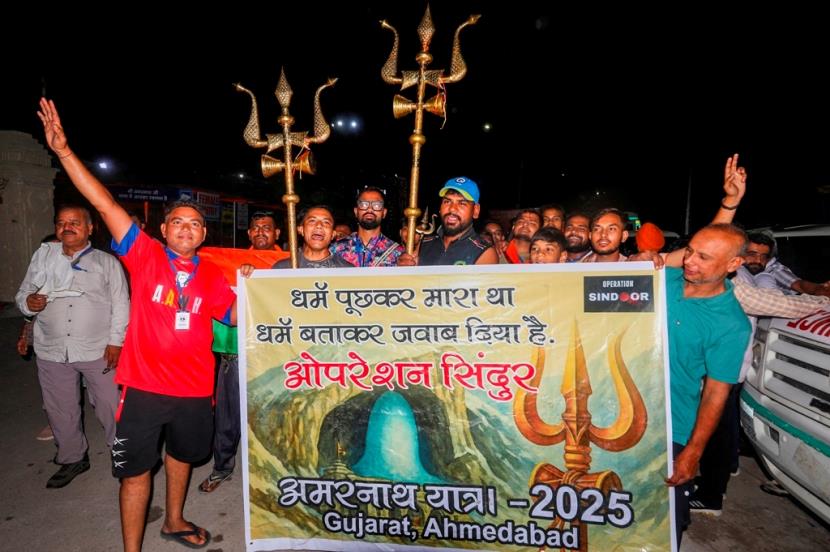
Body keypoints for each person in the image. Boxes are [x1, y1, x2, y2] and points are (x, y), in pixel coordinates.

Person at [39, 98, 238, 550]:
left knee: (183, 457)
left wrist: (255, 286)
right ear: (163, 231)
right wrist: (64, 151)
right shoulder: (143, 254)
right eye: (178, 222)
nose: (186, 228)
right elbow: (103, 201)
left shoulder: (213, 276)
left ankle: (174, 520)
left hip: (194, 391)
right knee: (134, 472)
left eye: (195, 224)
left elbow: (236, 316)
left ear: (204, 234)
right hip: (144, 389)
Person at [15, 205, 130, 487]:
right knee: (59, 407)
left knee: (110, 405)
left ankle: (123, 454)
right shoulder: (43, 259)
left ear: (90, 228)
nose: (67, 227)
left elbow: (121, 305)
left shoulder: (106, 262)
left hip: (97, 349)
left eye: (74, 222)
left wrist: (116, 342)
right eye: (61, 222)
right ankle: (72, 457)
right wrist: (28, 303)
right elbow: (23, 294)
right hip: (51, 349)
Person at [197, 211, 288, 494]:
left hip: (274, 354)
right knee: (227, 417)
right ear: (248, 234)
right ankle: (222, 467)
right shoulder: (228, 263)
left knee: (274, 416)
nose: (261, 232)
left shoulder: (289, 264)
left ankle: (279, 474)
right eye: (256, 228)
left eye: (267, 228)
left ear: (277, 234)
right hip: (235, 352)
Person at [398, 177, 498, 266]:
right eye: (447, 201)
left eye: (462, 203)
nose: (452, 209)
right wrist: (404, 268)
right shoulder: (424, 244)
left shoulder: (484, 252)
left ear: (475, 210)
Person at [331, 186, 404, 267]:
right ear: (356, 211)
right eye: (364, 204)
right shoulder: (336, 249)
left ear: (384, 213)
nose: (369, 209)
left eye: (377, 205)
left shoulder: (397, 253)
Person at [740, 232, 830, 297]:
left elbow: (799, 285)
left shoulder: (773, 270)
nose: (758, 261)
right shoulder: (736, 267)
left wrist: (819, 288)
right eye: (752, 254)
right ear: (740, 252)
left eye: (764, 256)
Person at [274, 205, 353, 268]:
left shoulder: (346, 270)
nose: (319, 225)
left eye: (326, 222)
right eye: (312, 221)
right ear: (301, 230)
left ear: (333, 234)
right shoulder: (283, 268)